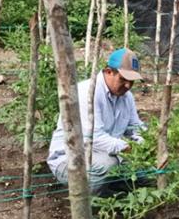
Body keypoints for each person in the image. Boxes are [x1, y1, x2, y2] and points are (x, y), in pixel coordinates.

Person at [47, 48, 146, 196]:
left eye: (131, 81)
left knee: (146, 171)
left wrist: (146, 142)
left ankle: (113, 195)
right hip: (71, 159)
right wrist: (128, 147)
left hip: (106, 154)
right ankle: (90, 207)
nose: (127, 86)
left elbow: (134, 127)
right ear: (108, 71)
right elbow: (94, 138)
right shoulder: (87, 92)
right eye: (123, 79)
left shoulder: (126, 97)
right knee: (108, 165)